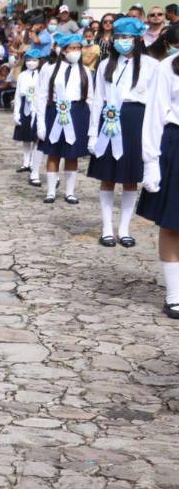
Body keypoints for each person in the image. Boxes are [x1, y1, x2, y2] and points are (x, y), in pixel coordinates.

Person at [87, 16, 156, 247]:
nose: (121, 41)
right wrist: (92, 133)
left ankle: (124, 228)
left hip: (136, 122)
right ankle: (107, 227)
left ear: (137, 39)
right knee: (107, 176)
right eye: (118, 37)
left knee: (129, 179)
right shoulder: (106, 64)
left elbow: (155, 103)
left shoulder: (150, 65)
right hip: (108, 120)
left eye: (126, 37)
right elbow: (98, 100)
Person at [138, 23, 179, 318]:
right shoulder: (168, 68)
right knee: (173, 223)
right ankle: (174, 294)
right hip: (176, 143)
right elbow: (154, 112)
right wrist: (150, 161)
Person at [36, 33, 93, 204]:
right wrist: (40, 122)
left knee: (72, 154)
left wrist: (91, 125)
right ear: (63, 51)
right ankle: (51, 191)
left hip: (77, 112)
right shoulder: (50, 69)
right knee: (53, 153)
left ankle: (70, 192)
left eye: (78, 48)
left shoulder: (86, 72)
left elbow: (91, 98)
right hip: (55, 111)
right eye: (72, 48)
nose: (76, 51)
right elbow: (42, 95)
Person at [13, 46, 48, 185]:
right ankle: (26, 162)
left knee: (35, 138)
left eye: (34, 60)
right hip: (25, 106)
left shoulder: (42, 75)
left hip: (37, 107)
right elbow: (17, 95)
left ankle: (34, 162)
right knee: (25, 137)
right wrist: (16, 112)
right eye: (28, 60)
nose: (31, 62)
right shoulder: (22, 75)